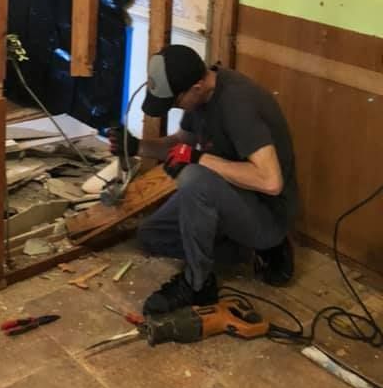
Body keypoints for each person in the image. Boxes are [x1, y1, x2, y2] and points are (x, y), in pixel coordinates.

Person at [110, 44, 297, 315]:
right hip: (231, 195)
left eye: (175, 102)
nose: (175, 108)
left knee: (194, 179)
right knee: (152, 235)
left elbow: (270, 181)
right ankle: (243, 249)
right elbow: (181, 144)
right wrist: (137, 146)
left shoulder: (238, 105)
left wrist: (198, 159)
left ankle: (198, 283)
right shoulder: (200, 93)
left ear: (196, 88)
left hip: (267, 213)